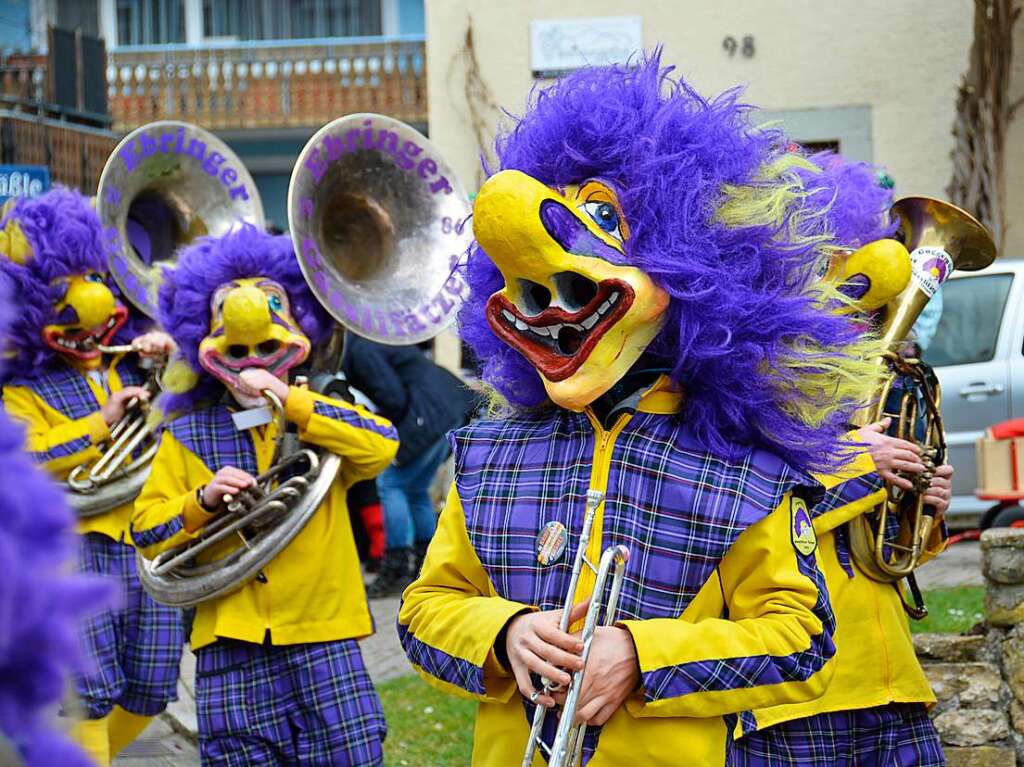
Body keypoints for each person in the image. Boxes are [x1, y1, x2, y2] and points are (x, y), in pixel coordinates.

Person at [398, 54, 891, 765]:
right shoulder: (487, 454)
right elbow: (421, 613)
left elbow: (802, 640)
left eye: (602, 213)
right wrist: (503, 634)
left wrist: (643, 655)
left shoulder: (742, 467)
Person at [131, 225, 398, 766]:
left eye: (267, 347)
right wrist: (201, 501)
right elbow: (146, 532)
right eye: (238, 349)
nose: (252, 361)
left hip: (324, 633)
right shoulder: (186, 433)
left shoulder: (320, 411)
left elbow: (383, 446)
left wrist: (289, 400)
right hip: (228, 642)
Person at [734, 158, 953, 766]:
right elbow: (742, 518)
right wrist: (860, 466)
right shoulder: (740, 389)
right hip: (791, 699)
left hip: (895, 686)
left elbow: (888, 554)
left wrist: (922, 508)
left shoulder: (879, 382)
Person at [0, 188, 184, 766]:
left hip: (144, 542)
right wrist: (98, 423)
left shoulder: (120, 361)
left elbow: (185, 405)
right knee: (89, 695)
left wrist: (166, 358)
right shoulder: (17, 390)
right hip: (71, 550)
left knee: (153, 685)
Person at [343, 334, 475, 596]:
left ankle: (397, 566)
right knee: (415, 490)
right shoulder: (368, 340)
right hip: (446, 408)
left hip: (426, 412)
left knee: (391, 484)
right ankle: (427, 563)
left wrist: (378, 429)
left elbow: (392, 397)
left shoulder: (358, 348)